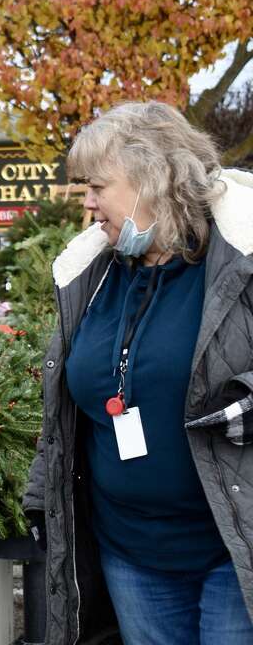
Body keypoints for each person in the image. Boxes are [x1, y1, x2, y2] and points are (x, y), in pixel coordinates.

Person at [24, 101, 253, 645]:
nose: (88, 203)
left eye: (97, 186)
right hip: (130, 555)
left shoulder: (240, 259)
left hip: (231, 546)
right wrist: (41, 498)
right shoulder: (91, 276)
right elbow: (63, 408)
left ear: (153, 178)